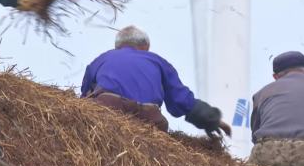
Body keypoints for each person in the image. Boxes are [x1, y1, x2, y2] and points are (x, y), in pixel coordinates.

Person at [81, 25, 231, 136]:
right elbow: (183, 100)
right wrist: (212, 120)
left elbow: (82, 102)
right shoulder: (158, 62)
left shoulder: (101, 60)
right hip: (147, 121)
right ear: (146, 46)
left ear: (117, 46)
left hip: (106, 115)